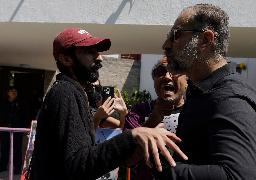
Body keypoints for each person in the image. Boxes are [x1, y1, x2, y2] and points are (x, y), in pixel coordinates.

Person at [29, 27, 187, 180]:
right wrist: (133, 135)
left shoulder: (73, 92)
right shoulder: (65, 92)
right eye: (90, 52)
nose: (99, 57)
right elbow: (79, 166)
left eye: (98, 52)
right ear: (66, 59)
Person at [155, 4, 256, 179]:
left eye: (176, 35)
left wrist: (165, 170)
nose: (166, 45)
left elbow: (240, 176)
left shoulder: (231, 99)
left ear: (206, 39)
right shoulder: (200, 92)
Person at [124, 57, 188, 180]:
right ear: (154, 80)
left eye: (174, 71)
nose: (167, 76)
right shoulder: (138, 112)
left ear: (187, 79)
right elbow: (128, 160)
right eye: (160, 72)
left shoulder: (198, 112)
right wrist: (153, 119)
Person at [0, 86, 28, 174]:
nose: (14, 92)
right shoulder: (3, 103)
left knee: (17, 149)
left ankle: (17, 168)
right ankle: (3, 166)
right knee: (4, 148)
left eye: (15, 91)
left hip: (17, 130)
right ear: (8, 93)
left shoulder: (21, 103)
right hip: (5, 129)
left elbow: (25, 115)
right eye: (12, 91)